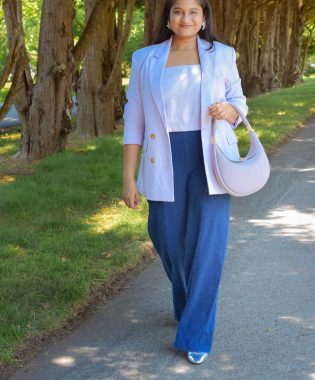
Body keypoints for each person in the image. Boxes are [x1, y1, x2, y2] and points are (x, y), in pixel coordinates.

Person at [122, 0, 248, 365]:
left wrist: (232, 111)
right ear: (168, 17)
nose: (186, 18)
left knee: (208, 245)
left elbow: (239, 101)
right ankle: (185, 298)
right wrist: (128, 177)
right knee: (167, 237)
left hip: (210, 157)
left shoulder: (222, 54)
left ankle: (196, 333)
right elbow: (135, 120)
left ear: (204, 17)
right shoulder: (145, 58)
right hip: (164, 158)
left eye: (194, 11)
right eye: (178, 11)